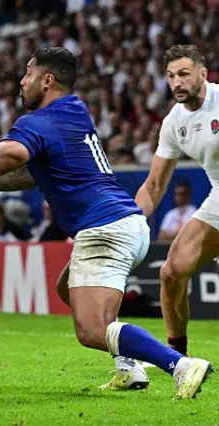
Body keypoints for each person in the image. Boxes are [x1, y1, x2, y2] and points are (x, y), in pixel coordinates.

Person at [0, 47, 212, 400]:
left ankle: (179, 364)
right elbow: (30, 171)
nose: (21, 81)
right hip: (125, 223)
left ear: (47, 79)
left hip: (104, 230)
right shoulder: (74, 111)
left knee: (91, 330)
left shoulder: (38, 123)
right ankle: (129, 369)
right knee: (66, 288)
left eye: (28, 73)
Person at [134, 45, 219, 358]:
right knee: (171, 272)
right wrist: (130, 219)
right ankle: (178, 359)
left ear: (202, 74)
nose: (176, 82)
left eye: (183, 74)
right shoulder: (174, 122)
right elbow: (155, 184)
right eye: (170, 76)